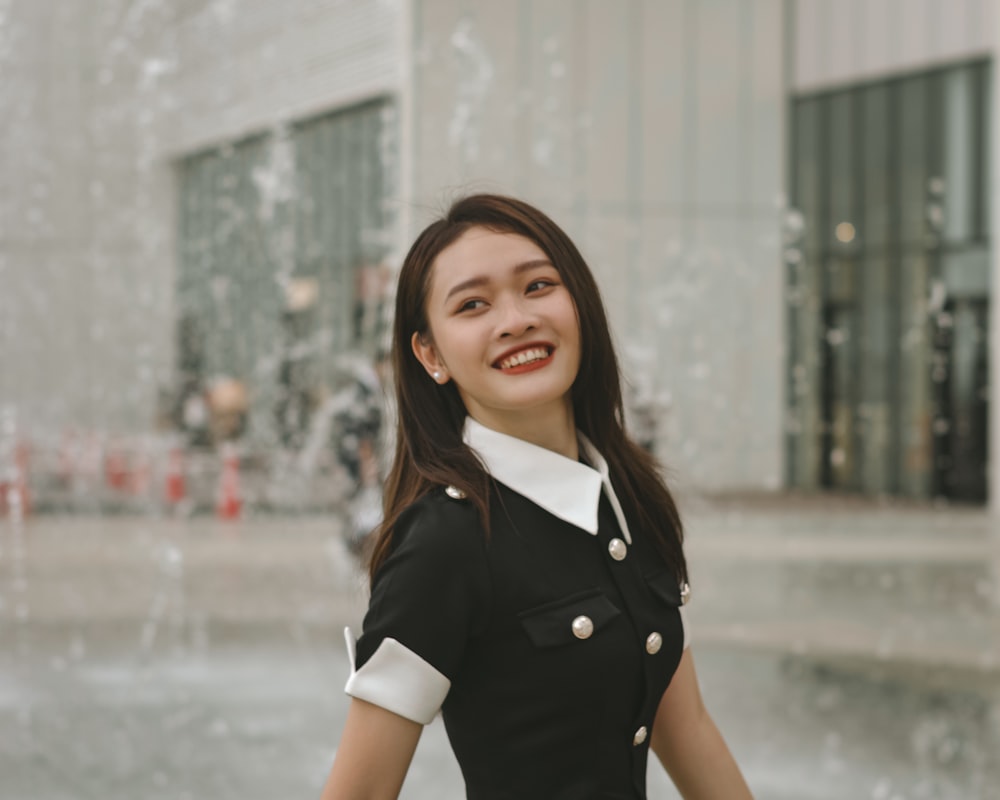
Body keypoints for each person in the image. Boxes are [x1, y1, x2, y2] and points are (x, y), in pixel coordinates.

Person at [320, 195, 753, 799]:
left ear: (580, 303)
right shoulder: (446, 540)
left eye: (539, 286)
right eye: (473, 304)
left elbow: (687, 729)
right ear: (431, 354)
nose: (516, 319)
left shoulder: (628, 496)